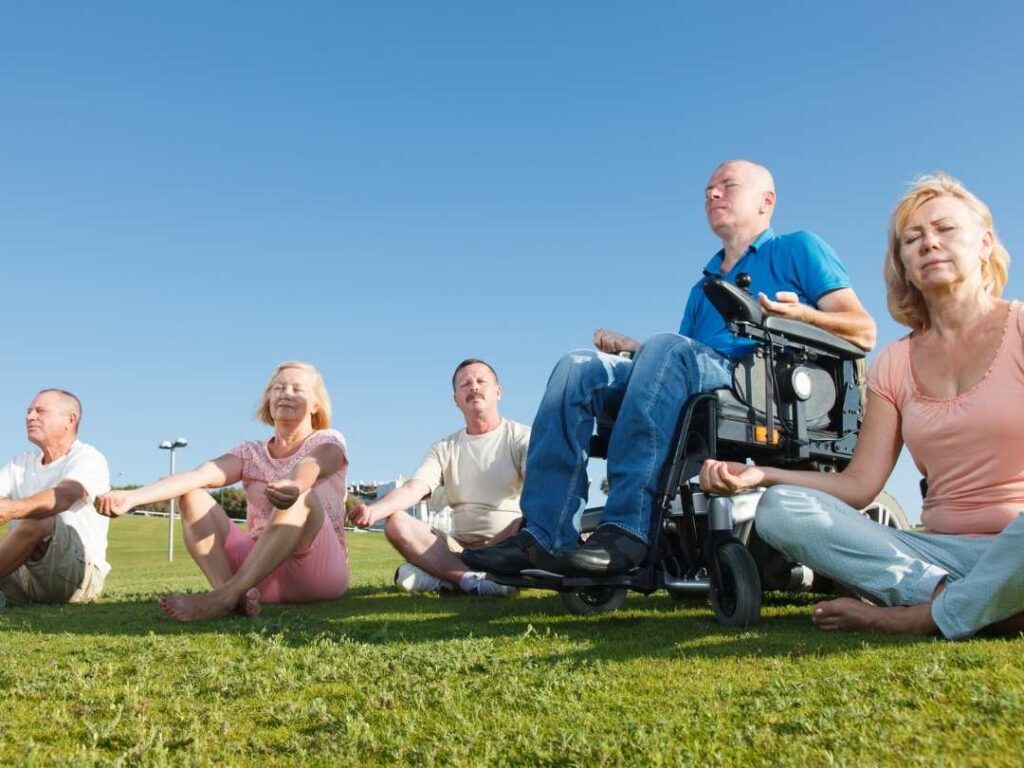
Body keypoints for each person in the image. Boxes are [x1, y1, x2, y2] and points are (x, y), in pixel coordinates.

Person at [464, 160, 875, 577]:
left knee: (665, 348)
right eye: (707, 191)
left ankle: (627, 530)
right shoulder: (705, 286)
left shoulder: (798, 248)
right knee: (578, 367)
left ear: (766, 201)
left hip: (760, 384)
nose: (712, 195)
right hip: (699, 375)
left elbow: (863, 330)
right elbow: (675, 364)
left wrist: (800, 315)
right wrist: (636, 350)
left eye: (727, 186)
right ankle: (544, 536)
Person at [701, 172, 1024, 640]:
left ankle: (923, 616)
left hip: (1015, 541)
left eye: (945, 229)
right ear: (904, 267)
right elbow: (859, 485)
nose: (929, 243)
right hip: (933, 556)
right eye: (913, 239)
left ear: (984, 242)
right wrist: (763, 476)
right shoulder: (894, 362)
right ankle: (974, 602)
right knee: (778, 509)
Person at [96, 361, 349, 621]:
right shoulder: (249, 452)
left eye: (298, 389)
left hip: (315, 571)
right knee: (192, 493)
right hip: (258, 574)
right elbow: (200, 475)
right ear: (268, 399)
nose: (286, 393)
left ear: (316, 404)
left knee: (302, 497)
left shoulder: (328, 440)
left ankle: (223, 598)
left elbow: (313, 464)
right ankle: (231, 593)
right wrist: (132, 498)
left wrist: (295, 485)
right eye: (278, 388)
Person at [348, 359, 529, 597]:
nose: (474, 387)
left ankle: (448, 579)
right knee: (396, 523)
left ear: (498, 392)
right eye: (465, 384)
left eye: (481, 381)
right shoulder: (444, 447)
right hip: (459, 548)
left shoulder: (521, 437)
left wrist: (515, 528)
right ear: (456, 399)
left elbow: (540, 488)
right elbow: (414, 488)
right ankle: (471, 581)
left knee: (408, 576)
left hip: (508, 542)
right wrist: (373, 511)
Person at [0, 389, 111, 610]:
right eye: (29, 412)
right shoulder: (18, 463)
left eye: (40, 411)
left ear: (70, 420)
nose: (30, 417)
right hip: (23, 575)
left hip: (76, 577)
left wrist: (11, 509)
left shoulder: (88, 458)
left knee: (40, 517)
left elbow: (65, 495)